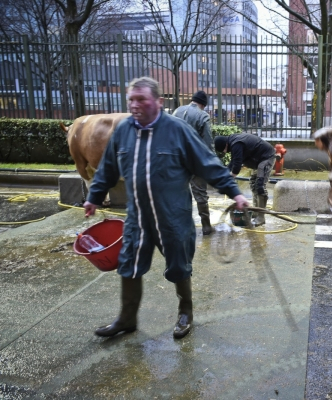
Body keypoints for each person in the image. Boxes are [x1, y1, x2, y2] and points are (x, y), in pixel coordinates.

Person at [83, 77, 249, 340]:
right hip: (137, 215)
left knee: (179, 264)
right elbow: (108, 168)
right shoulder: (124, 130)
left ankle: (185, 313)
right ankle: (127, 319)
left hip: (172, 215)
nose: (135, 105)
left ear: (158, 102)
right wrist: (94, 196)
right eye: (132, 100)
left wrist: (234, 191)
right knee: (129, 263)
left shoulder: (177, 130)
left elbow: (207, 162)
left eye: (142, 100)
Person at [172, 90, 214, 235]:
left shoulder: (177, 111)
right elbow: (208, 143)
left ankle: (180, 226)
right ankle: (206, 226)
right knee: (200, 194)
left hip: (176, 161)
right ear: (203, 104)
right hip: (195, 161)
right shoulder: (202, 115)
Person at [213, 133, 275, 226]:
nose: (225, 152)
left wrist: (229, 180)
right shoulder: (233, 142)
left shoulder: (236, 143)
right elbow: (233, 162)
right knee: (253, 184)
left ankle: (261, 217)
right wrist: (224, 175)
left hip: (266, 157)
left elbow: (237, 165)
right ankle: (255, 211)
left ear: (225, 146)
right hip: (258, 160)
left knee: (260, 186)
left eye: (223, 150)